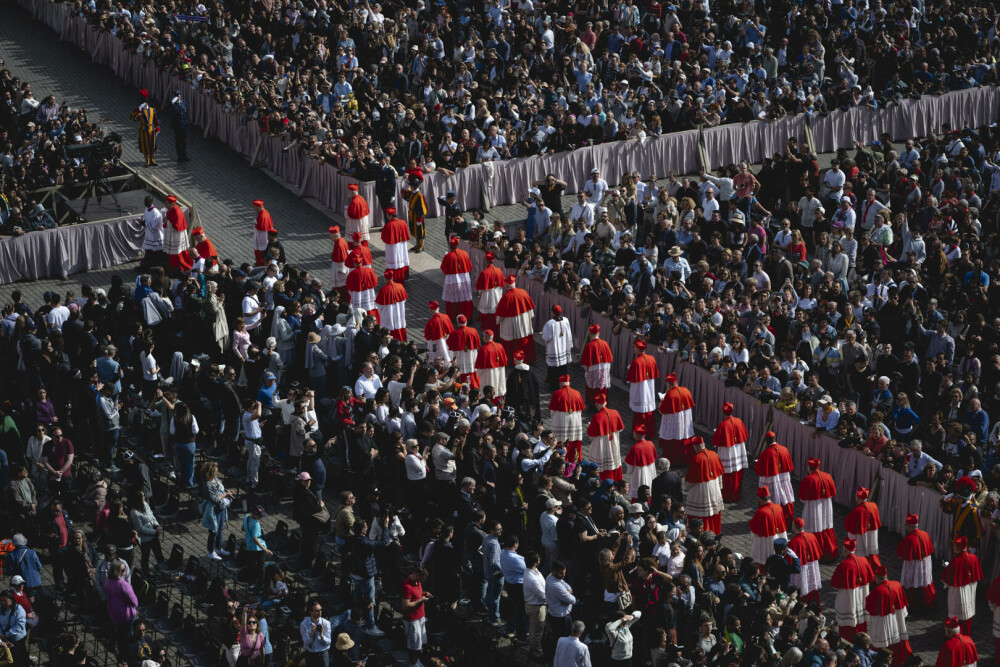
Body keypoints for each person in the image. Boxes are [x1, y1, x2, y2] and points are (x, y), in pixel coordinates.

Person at [833, 539, 876, 643]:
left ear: (845, 551)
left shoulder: (844, 565)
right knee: (861, 621)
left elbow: (834, 584)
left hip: (848, 598)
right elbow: (871, 578)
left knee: (848, 624)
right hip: (862, 595)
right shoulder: (864, 560)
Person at [940, 536, 982, 635]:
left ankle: (956, 634)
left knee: (957, 615)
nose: (953, 548)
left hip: (958, 593)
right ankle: (967, 633)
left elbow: (946, 581)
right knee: (967, 614)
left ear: (958, 548)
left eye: (955, 546)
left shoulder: (955, 562)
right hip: (970, 590)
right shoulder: (974, 558)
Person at [799, 458, 838, 560]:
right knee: (825, 526)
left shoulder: (808, 479)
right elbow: (834, 493)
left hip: (813, 508)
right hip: (826, 506)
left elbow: (802, 498)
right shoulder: (828, 476)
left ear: (809, 467)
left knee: (814, 527)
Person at [896, 514, 935, 610]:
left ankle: (914, 606)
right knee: (924, 581)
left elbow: (901, 554)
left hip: (913, 565)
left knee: (913, 582)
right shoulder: (925, 534)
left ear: (910, 526)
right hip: (925, 563)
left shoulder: (909, 540)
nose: (906, 527)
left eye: (906, 526)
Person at [711, 402, 748, 503]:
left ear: (723, 413)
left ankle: (727, 495)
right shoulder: (739, 421)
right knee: (737, 473)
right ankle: (736, 494)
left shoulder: (722, 425)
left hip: (727, 452)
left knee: (727, 474)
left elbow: (715, 441)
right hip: (739, 451)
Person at [658, 373, 696, 464]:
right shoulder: (686, 390)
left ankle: (673, 461)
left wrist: (662, 401)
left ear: (668, 384)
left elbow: (662, 410)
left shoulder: (670, 395)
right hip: (685, 421)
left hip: (674, 422)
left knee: (673, 442)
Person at [104, 560, 139, 657]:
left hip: (114, 612)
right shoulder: (123, 585)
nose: (125, 571)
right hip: (126, 614)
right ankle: (129, 655)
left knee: (119, 635)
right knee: (129, 635)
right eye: (123, 570)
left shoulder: (108, 581)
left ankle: (120, 651)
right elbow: (134, 601)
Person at [626, 341, 659, 435]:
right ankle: (650, 431)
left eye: (635, 348)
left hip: (639, 390)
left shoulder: (636, 362)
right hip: (649, 389)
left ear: (638, 349)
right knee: (649, 410)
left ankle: (639, 432)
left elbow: (630, 378)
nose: (634, 349)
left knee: (640, 412)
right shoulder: (652, 358)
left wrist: (629, 370)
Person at [401, 567, 431, 667]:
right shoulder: (407, 586)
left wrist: (423, 594)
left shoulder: (418, 582)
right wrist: (421, 600)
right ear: (416, 575)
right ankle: (413, 664)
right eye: (422, 578)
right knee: (414, 645)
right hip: (412, 620)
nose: (423, 580)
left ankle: (416, 661)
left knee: (420, 643)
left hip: (421, 617)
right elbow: (405, 606)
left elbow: (416, 595)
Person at [542, 305, 573, 391]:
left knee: (553, 370)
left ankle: (554, 386)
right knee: (563, 368)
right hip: (563, 347)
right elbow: (569, 334)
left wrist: (543, 337)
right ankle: (564, 383)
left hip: (554, 349)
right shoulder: (566, 320)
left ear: (553, 312)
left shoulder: (550, 323)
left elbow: (547, 337)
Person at [129, 89, 159, 166]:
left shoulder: (152, 110)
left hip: (152, 130)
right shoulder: (140, 111)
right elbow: (132, 118)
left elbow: (156, 120)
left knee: (152, 146)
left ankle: (152, 159)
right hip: (144, 130)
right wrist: (137, 110)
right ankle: (147, 160)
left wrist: (157, 127)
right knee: (145, 146)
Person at [300, 600, 332, 666]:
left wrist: (322, 635)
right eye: (317, 610)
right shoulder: (304, 624)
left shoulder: (326, 623)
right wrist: (311, 634)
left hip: (322, 652)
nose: (320, 612)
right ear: (311, 612)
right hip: (310, 653)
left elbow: (328, 642)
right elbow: (306, 642)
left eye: (321, 610)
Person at [0, 590, 27, 665]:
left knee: (19, 659)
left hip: (17, 639)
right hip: (4, 638)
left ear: (11, 599)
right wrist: (1, 634)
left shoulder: (18, 609)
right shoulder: (0, 608)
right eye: (1, 600)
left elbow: (20, 625)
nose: (2, 603)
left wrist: (7, 635)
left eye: (4, 600)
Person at [252, 199, 276, 266]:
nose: (253, 208)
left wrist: (255, 224)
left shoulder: (262, 215)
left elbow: (260, 227)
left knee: (260, 252)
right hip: (264, 235)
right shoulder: (265, 212)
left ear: (257, 207)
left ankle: (260, 264)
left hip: (262, 237)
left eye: (254, 207)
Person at [170, 89, 189, 162]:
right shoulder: (174, 105)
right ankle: (179, 156)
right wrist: (173, 102)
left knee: (184, 141)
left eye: (179, 95)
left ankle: (184, 155)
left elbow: (186, 112)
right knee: (178, 141)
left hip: (184, 125)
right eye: (177, 96)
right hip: (177, 126)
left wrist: (187, 121)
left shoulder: (184, 102)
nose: (178, 97)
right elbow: (174, 111)